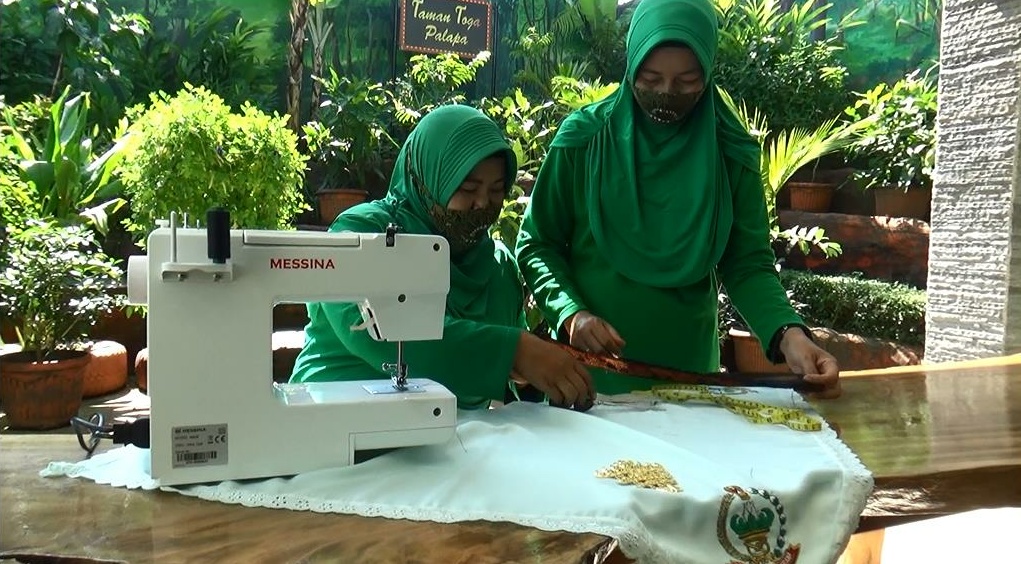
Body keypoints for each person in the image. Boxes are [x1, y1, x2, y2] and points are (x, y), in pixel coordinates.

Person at [514, 0, 841, 399]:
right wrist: (571, 313)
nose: (667, 94)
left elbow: (747, 262)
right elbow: (538, 243)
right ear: (631, 64)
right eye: (650, 78)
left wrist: (789, 335)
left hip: (687, 383)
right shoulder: (584, 141)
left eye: (687, 81)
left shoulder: (729, 152)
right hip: (586, 378)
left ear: (708, 69)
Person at [290, 104, 595, 411]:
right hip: (332, 421)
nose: (482, 203)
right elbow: (372, 333)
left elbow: (508, 385)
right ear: (428, 178)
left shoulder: (497, 269)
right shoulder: (360, 234)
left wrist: (534, 375)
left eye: (496, 190)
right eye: (467, 188)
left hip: (444, 439)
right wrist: (511, 353)